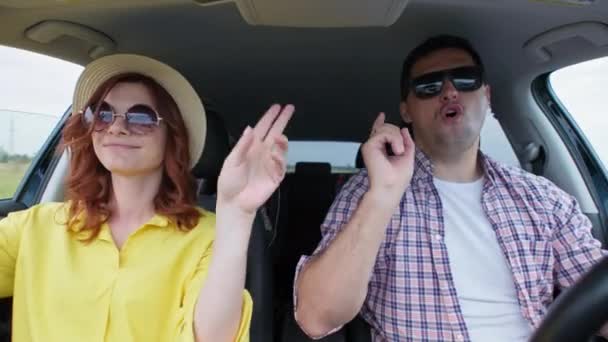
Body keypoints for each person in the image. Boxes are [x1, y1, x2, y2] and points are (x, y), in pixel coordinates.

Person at [294, 35, 607, 341]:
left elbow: (598, 297)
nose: (448, 92)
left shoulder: (544, 198)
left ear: (487, 96)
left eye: (465, 80)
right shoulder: (368, 191)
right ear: (406, 111)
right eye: (428, 86)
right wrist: (382, 197)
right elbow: (317, 318)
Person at [0, 53, 294, 342]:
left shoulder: (208, 237)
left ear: (173, 136)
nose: (116, 127)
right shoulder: (35, 226)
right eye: (101, 114)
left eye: (141, 117)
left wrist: (236, 215)